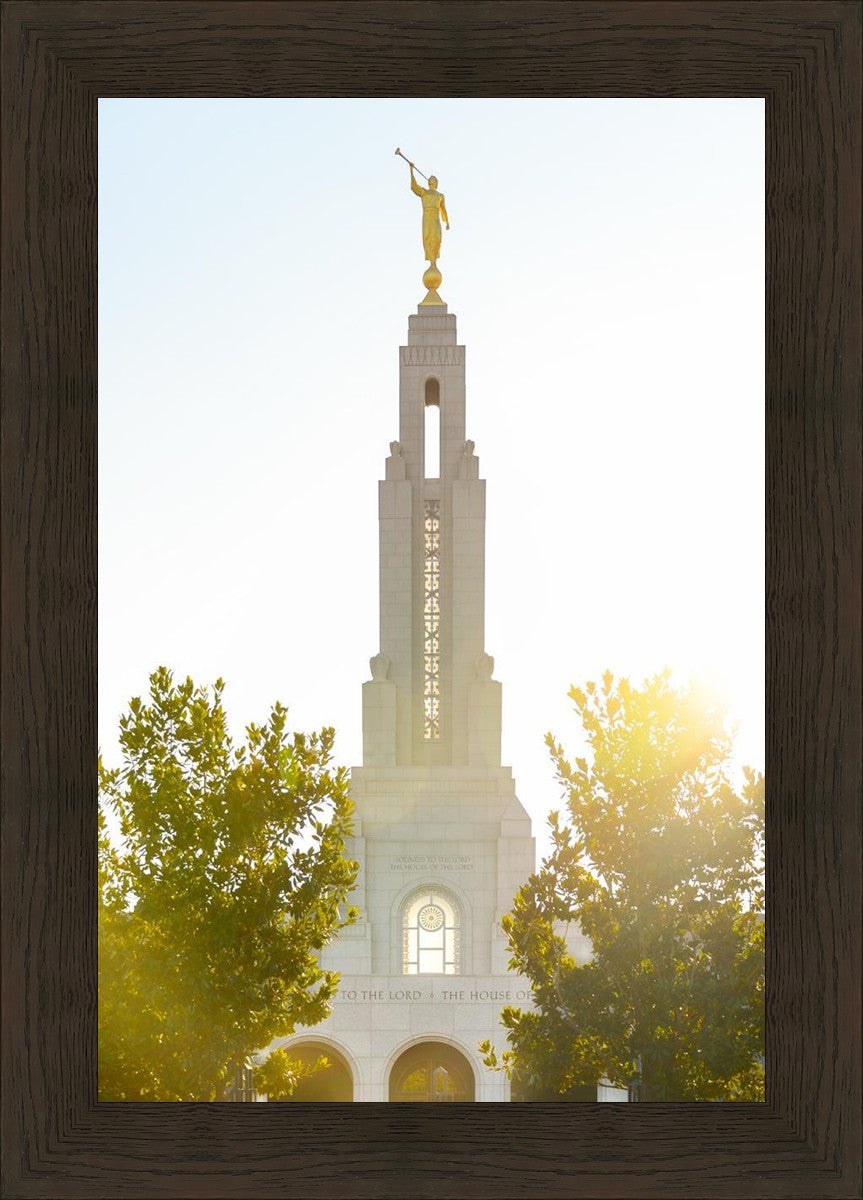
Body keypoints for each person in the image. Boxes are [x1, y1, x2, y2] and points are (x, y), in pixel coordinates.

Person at [409, 164, 450, 264]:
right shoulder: (424, 192)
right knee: (427, 236)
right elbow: (414, 186)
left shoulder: (440, 195)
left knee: (437, 237)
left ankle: (434, 260)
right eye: (430, 178)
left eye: (433, 179)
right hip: (427, 216)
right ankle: (432, 262)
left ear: (436, 183)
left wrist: (447, 221)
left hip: (435, 218)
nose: (431, 179)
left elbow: (443, 209)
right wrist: (411, 171)